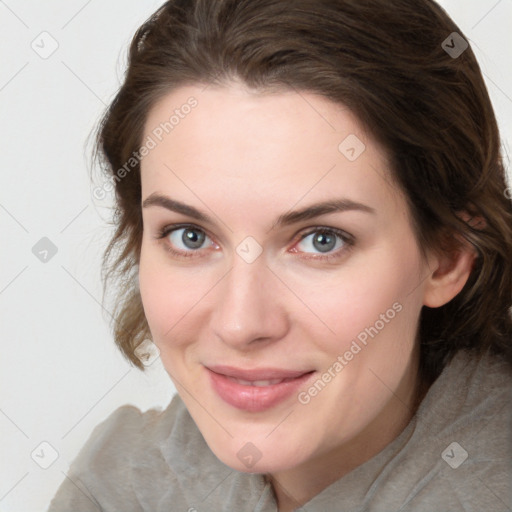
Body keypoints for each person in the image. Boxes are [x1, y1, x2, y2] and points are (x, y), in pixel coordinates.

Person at [48, 0, 512, 510]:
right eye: (190, 236)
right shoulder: (118, 490)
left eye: (321, 240)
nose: (241, 323)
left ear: (447, 255)